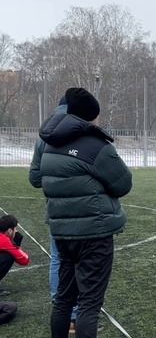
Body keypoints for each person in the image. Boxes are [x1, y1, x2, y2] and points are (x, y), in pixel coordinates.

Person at [35, 87, 132, 338]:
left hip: (61, 231)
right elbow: (123, 184)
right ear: (90, 116)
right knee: (89, 304)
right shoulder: (95, 144)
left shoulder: (48, 144)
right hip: (94, 233)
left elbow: (40, 178)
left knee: (63, 300)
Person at [28, 96, 79, 332]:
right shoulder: (84, 131)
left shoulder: (44, 135)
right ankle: (77, 314)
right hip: (82, 209)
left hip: (55, 208)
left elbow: (35, 179)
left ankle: (61, 310)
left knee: (58, 258)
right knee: (83, 261)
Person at [0, 215, 30, 291]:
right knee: (9, 256)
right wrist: (16, 241)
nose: (16, 231)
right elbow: (24, 260)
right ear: (10, 230)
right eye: (15, 228)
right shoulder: (4, 240)